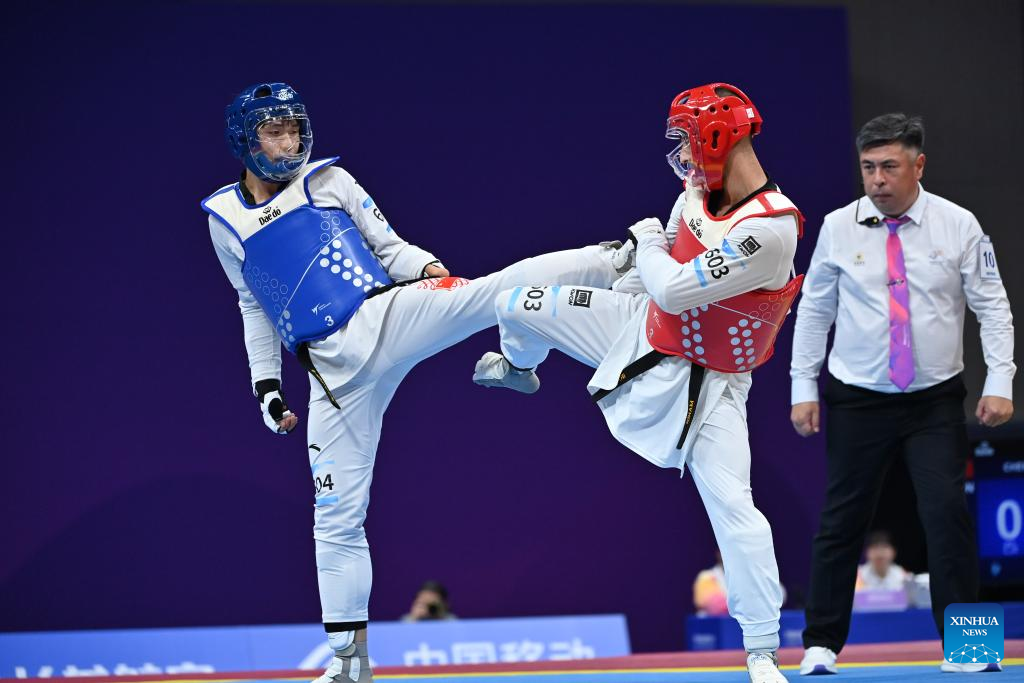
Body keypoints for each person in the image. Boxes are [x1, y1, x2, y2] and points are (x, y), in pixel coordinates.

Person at [202, 83, 622, 683]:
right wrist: (266, 386)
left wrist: (427, 268)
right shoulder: (223, 219)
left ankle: (616, 260)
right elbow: (254, 305)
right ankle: (349, 665)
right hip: (332, 378)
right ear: (245, 141)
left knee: (487, 294)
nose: (289, 142)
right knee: (335, 516)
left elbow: (389, 247)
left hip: (384, 318)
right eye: (275, 132)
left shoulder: (329, 181)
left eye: (294, 129)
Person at [473, 82, 802, 683]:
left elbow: (673, 285)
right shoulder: (696, 191)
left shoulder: (771, 228)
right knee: (517, 303)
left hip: (709, 381)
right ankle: (521, 369)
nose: (681, 154)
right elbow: (656, 275)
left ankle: (761, 650)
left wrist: (646, 240)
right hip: (639, 329)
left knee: (735, 509)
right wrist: (614, 290)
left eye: (687, 140)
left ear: (716, 137)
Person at [789, 113, 1015, 675]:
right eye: (868, 167)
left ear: (919, 165)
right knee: (841, 520)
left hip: (934, 399)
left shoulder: (959, 225)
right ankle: (820, 645)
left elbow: (993, 307)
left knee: (947, 515)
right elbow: (814, 311)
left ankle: (970, 647)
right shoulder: (837, 227)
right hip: (856, 396)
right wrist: (802, 385)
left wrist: (1000, 380)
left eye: (889, 166)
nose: (878, 180)